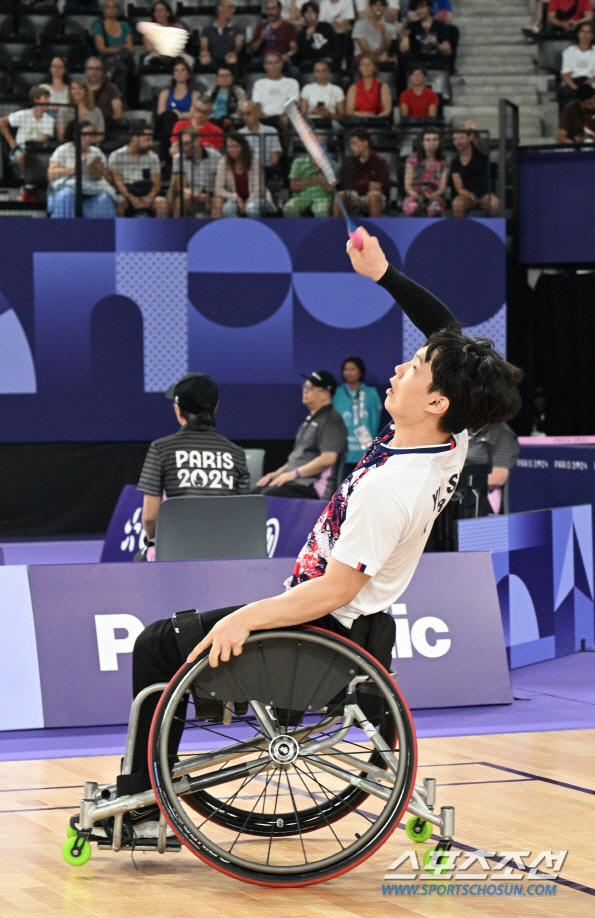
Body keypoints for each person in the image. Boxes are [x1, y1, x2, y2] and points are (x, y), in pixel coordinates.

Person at [118, 224, 522, 839]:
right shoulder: (446, 441)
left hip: (320, 632)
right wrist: (384, 275)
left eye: (414, 368)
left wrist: (247, 618)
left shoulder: (393, 490)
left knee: (156, 644)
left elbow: (334, 591)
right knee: (185, 637)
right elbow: (448, 334)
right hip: (354, 626)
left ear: (438, 401)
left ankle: (145, 804)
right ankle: (154, 782)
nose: (399, 366)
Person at [136, 372, 250, 551]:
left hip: (176, 552)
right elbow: (243, 515)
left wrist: (158, 544)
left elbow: (149, 517)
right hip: (225, 552)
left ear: (178, 409)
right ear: (216, 407)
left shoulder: (160, 449)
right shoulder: (236, 453)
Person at [254, 370, 347, 499]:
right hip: (295, 482)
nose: (305, 391)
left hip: (314, 486)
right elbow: (299, 458)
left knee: (267, 496)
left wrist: (292, 474)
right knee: (253, 494)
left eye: (310, 388)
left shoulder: (332, 421)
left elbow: (328, 458)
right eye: (305, 387)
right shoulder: (310, 419)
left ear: (325, 394)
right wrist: (276, 474)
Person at [47, 121, 118, 218]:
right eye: (84, 135)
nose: (88, 138)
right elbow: (51, 174)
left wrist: (102, 172)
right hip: (69, 187)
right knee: (66, 195)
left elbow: (109, 179)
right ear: (75, 135)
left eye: (91, 135)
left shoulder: (97, 152)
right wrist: (72, 168)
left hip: (93, 189)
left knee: (105, 198)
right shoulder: (63, 150)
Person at [0, 86, 54, 201]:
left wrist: (33, 144)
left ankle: (30, 187)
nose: (48, 101)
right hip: (21, 148)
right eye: (45, 98)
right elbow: (1, 121)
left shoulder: (49, 119)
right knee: (20, 156)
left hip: (39, 149)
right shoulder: (23, 114)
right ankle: (26, 181)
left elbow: (46, 137)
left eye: (49, 98)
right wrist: (12, 142)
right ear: (36, 99)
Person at [333, 356, 382, 477]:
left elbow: (375, 420)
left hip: (366, 449)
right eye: (345, 369)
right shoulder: (336, 394)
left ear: (360, 372)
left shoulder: (372, 393)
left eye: (352, 369)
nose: (348, 373)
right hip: (343, 450)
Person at [109, 126, 169, 217]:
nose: (151, 143)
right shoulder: (116, 156)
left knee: (162, 203)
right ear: (135, 138)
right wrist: (132, 198)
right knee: (119, 202)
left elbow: (157, 184)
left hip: (147, 191)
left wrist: (150, 197)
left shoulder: (153, 157)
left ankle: (159, 231)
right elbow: (118, 182)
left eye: (151, 140)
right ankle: (120, 230)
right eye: (147, 140)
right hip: (127, 193)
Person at [466, 423, 520, 515]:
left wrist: (460, 482)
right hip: (448, 495)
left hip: (480, 496)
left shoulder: (502, 433)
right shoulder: (460, 429)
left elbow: (498, 478)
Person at [335, 127, 390, 217]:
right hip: (355, 196)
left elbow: (384, 185)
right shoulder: (349, 164)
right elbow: (344, 184)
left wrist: (374, 187)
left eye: (354, 143)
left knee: (373, 195)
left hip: (373, 196)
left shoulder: (380, 163)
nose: (351, 147)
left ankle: (375, 229)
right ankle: (336, 229)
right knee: (340, 195)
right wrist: (367, 185)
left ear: (365, 143)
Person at [91, 0, 136, 105]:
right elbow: (101, 49)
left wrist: (119, 50)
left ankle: (109, 75)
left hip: (127, 60)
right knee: (121, 68)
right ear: (103, 10)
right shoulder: (99, 27)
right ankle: (121, 102)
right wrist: (121, 49)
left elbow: (131, 49)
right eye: (108, 7)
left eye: (114, 7)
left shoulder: (124, 26)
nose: (111, 9)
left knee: (124, 54)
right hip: (106, 61)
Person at [212, 132, 266, 217]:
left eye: (235, 146)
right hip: (235, 199)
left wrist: (247, 203)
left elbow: (258, 188)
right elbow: (219, 188)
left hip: (256, 198)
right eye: (229, 147)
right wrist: (236, 198)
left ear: (243, 147)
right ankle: (234, 230)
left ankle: (254, 229)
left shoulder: (254, 161)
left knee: (251, 208)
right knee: (228, 208)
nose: (231, 150)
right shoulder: (223, 162)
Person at [170, 127, 221, 216]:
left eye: (187, 144)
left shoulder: (215, 156)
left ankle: (215, 229)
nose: (184, 148)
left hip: (210, 196)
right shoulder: (178, 158)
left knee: (217, 201)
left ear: (197, 141)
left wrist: (210, 194)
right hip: (191, 197)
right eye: (181, 144)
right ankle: (176, 228)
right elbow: (181, 187)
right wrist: (195, 195)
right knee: (180, 200)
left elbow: (219, 184)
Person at [450, 125, 499, 218]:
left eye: (461, 138)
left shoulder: (481, 153)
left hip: (486, 194)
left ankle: (492, 231)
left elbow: (482, 146)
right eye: (455, 139)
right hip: (468, 196)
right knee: (457, 204)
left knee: (495, 204)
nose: (458, 142)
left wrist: (475, 132)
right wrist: (471, 196)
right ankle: (458, 231)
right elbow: (459, 187)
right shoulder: (455, 162)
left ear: (470, 138)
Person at [283, 134, 336, 216]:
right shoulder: (298, 162)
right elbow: (293, 186)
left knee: (321, 211)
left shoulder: (333, 165)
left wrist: (320, 169)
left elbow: (330, 188)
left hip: (322, 198)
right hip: (301, 197)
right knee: (289, 208)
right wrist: (316, 180)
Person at [402, 129, 448, 216]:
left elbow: (442, 188)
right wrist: (417, 196)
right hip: (414, 194)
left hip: (434, 195)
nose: (432, 142)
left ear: (439, 142)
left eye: (435, 139)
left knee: (434, 208)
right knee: (412, 207)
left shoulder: (444, 163)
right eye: (428, 140)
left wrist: (430, 196)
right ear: (422, 142)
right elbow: (407, 185)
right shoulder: (412, 160)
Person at [251, 52, 301, 129]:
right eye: (270, 63)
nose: (273, 66)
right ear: (265, 66)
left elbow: (292, 103)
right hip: (265, 118)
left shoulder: (292, 82)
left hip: (284, 118)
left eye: (276, 62)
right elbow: (257, 104)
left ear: (282, 64)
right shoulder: (259, 84)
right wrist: (262, 117)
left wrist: (285, 117)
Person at [141, 1, 193, 70]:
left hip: (177, 54)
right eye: (156, 11)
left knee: (189, 60)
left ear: (168, 13)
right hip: (156, 55)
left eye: (161, 10)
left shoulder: (177, 27)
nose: (158, 13)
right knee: (148, 61)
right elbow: (149, 48)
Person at [250, 0, 299, 67]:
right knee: (252, 64)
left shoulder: (288, 27)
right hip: (263, 60)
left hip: (281, 59)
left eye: (273, 9)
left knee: (293, 70)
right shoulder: (261, 27)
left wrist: (288, 55)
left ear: (280, 9)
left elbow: (294, 49)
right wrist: (261, 39)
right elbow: (252, 50)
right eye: (268, 9)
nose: (270, 12)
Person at [199, 0, 246, 69]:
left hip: (229, 58)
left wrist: (234, 53)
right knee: (204, 60)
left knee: (233, 60)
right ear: (220, 8)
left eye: (233, 8)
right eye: (230, 7)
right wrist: (205, 52)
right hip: (213, 59)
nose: (233, 10)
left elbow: (238, 45)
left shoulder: (238, 28)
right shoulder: (207, 29)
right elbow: (204, 45)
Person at [345, 55, 393, 119]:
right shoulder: (353, 88)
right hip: (357, 123)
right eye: (363, 64)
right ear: (359, 68)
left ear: (374, 67)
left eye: (369, 64)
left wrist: (375, 118)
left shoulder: (383, 87)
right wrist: (360, 114)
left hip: (377, 123)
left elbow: (387, 110)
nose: (366, 67)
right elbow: (349, 111)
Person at [297, 2, 341, 71]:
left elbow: (337, 47)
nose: (310, 14)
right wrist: (308, 37)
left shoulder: (326, 26)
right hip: (312, 63)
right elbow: (303, 55)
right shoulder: (302, 32)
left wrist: (330, 58)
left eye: (312, 11)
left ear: (317, 13)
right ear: (303, 15)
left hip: (328, 61)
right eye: (307, 12)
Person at [238, 100, 282, 168]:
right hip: (246, 170)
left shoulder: (271, 131)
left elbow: (274, 157)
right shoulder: (239, 134)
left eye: (248, 113)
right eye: (242, 114)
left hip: (266, 170)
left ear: (258, 113)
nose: (245, 117)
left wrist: (264, 170)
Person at [560, 22, 595, 105]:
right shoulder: (569, 51)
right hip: (574, 83)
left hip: (591, 84)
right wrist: (576, 88)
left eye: (588, 32)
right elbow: (566, 73)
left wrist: (585, 87)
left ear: (592, 36)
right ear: (578, 34)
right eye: (582, 31)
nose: (585, 35)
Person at [84, 57, 123, 123]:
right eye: (91, 68)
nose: (94, 71)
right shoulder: (81, 88)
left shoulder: (111, 88)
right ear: (85, 71)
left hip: (107, 125)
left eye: (98, 69)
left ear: (102, 71)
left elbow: (118, 112)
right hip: (85, 125)